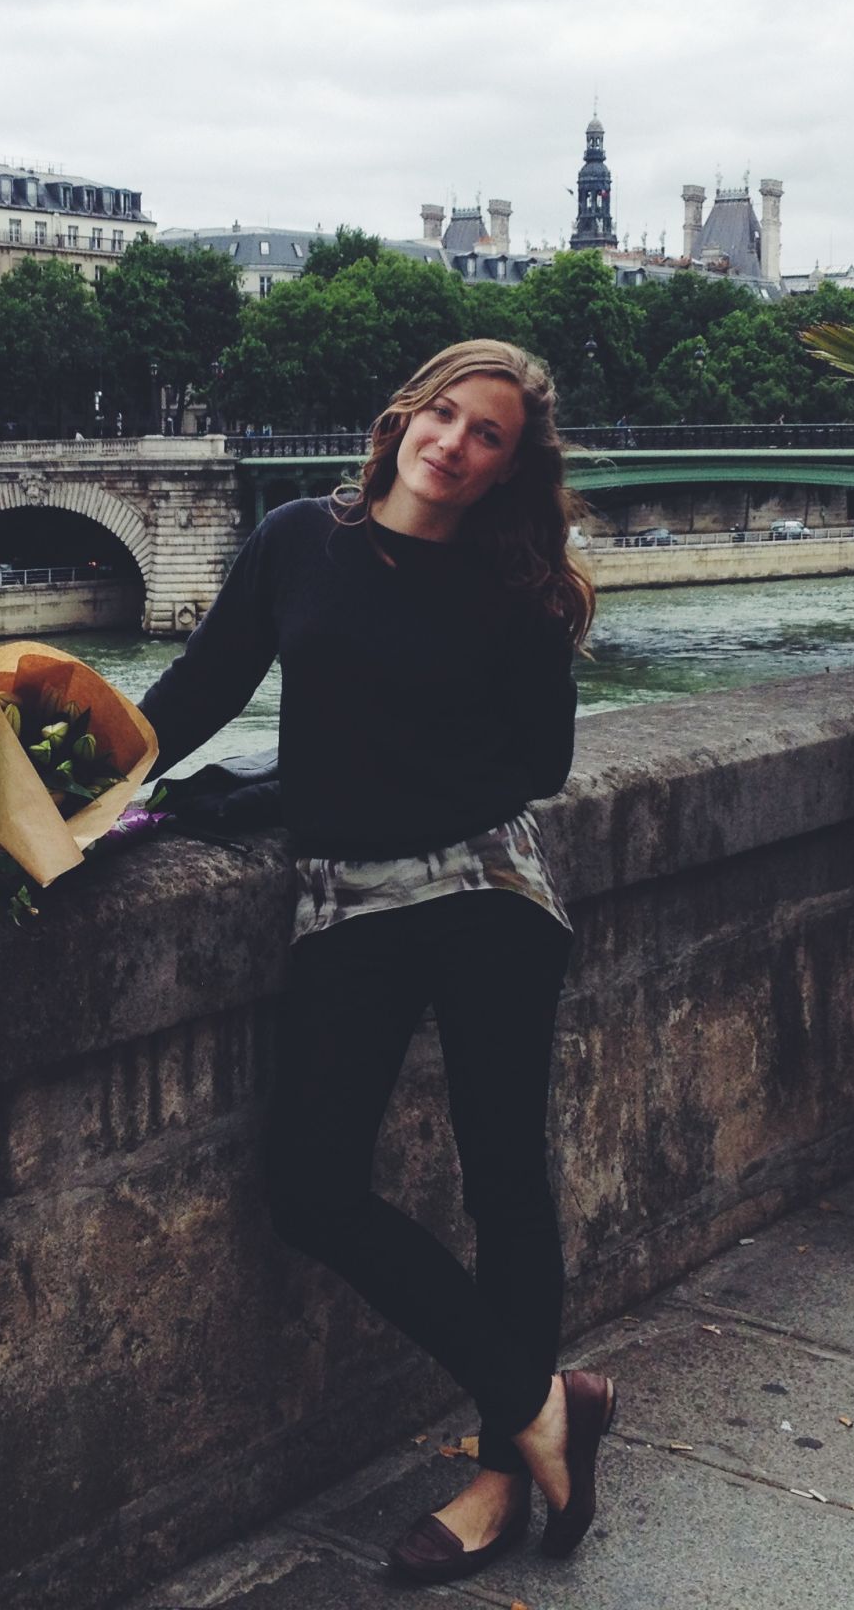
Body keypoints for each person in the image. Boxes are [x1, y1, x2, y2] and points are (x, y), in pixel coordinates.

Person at [139, 338, 616, 1585]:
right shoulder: (301, 538)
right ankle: (542, 1398)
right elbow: (195, 695)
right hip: (347, 899)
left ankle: (502, 1472)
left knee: (504, 1172)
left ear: (514, 466)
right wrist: (57, 790)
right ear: (405, 411)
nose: (452, 443)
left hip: (480, 890)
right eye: (442, 413)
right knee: (310, 1189)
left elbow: (539, 769)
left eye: (487, 436)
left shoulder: (518, 585)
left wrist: (379, 779)